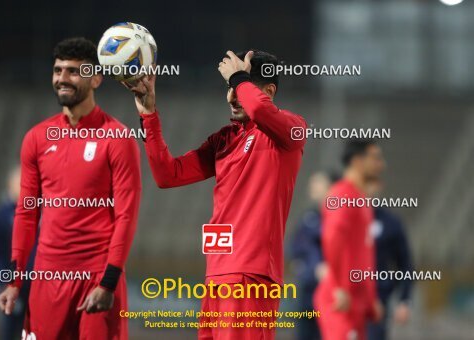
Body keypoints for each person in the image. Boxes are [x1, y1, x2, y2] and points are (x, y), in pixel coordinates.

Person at [126, 50, 307, 340]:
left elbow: (260, 111)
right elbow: (167, 175)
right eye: (229, 89)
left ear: (269, 91)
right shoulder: (224, 139)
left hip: (251, 274)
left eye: (239, 88)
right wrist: (148, 114)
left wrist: (238, 78)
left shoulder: (291, 129)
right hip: (217, 273)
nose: (232, 97)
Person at [0, 37, 142, 339]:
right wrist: (14, 280)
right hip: (47, 277)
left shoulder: (118, 137)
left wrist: (108, 282)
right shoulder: (36, 138)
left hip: (96, 276)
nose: (63, 78)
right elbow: (26, 214)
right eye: (58, 70)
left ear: (96, 79)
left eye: (74, 71)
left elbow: (126, 216)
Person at [314, 139, 385, 340]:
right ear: (357, 161)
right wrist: (337, 287)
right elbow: (331, 237)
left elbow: (364, 254)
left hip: (355, 302)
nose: (381, 164)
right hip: (339, 300)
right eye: (375, 158)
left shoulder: (361, 200)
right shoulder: (341, 195)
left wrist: (370, 299)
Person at [0, 166, 35, 340]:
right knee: (10, 332)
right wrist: (9, 283)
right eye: (22, 182)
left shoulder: (37, 213)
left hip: (35, 288)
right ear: (10, 184)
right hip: (13, 289)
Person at [290, 171, 336, 340]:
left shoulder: (343, 219)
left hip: (335, 298)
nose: (312, 188)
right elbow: (296, 251)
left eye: (317, 183)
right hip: (308, 295)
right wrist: (312, 268)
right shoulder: (307, 220)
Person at [366, 180, 413, 340]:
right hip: (347, 299)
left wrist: (404, 300)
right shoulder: (342, 218)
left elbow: (405, 263)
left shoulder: (391, 223)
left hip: (379, 299)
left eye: (370, 181)